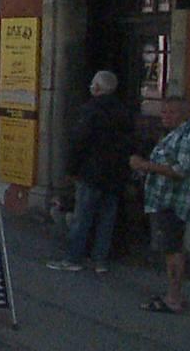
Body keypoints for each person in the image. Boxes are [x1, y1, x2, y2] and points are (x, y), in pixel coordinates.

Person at [48, 71, 134, 273]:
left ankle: (73, 258)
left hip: (91, 172)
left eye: (92, 85)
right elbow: (129, 142)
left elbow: (79, 142)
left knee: (82, 217)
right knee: (107, 219)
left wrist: (70, 169)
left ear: (97, 88)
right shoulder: (124, 112)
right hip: (115, 173)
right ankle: (100, 260)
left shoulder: (90, 110)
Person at [129, 97, 190, 314]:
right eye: (163, 112)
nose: (165, 116)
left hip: (173, 202)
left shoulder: (189, 136)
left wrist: (144, 165)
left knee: (173, 250)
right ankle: (172, 294)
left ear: (183, 114)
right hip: (164, 200)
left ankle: (174, 298)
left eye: (171, 112)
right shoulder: (174, 134)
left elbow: (180, 170)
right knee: (170, 249)